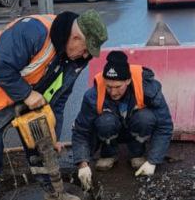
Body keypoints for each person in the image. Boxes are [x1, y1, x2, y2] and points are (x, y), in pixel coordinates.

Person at [0, 10, 108, 200]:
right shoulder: (33, 32)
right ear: (76, 37)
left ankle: (53, 192)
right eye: (85, 49)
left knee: (42, 142)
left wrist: (52, 136)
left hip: (27, 90)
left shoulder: (76, 58)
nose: (86, 56)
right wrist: (27, 95)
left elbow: (58, 100)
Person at [72, 49, 173, 189]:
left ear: (128, 80)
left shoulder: (148, 89)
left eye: (118, 87)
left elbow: (165, 126)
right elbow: (81, 130)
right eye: (108, 87)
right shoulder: (93, 95)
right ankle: (109, 154)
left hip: (136, 126)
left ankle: (137, 153)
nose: (113, 92)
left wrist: (153, 161)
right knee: (104, 121)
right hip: (110, 128)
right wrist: (82, 163)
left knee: (146, 117)